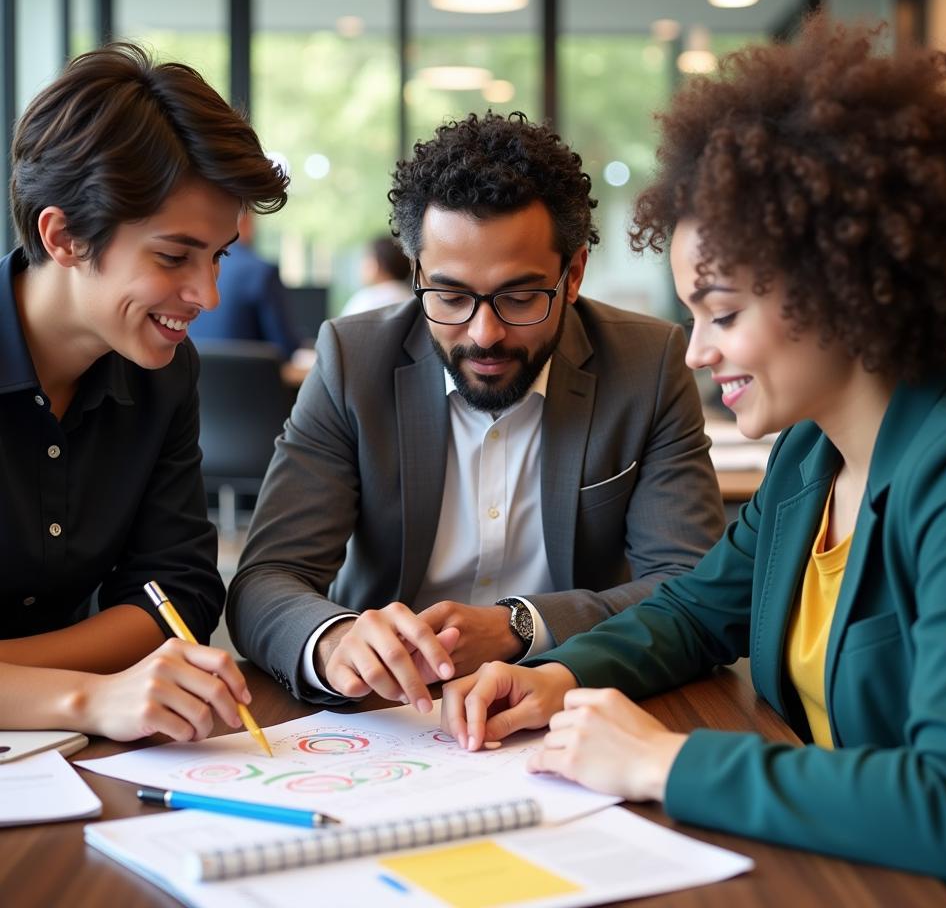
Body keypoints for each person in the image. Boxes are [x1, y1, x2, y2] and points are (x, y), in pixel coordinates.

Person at [440, 18, 946, 900]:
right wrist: (553, 678)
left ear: (842, 284)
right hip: (824, 866)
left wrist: (665, 763)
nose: (696, 351)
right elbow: (694, 613)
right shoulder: (810, 459)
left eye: (721, 312)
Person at [227, 111, 725, 711]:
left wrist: (523, 626)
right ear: (416, 274)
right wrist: (335, 641)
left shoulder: (647, 363)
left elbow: (691, 584)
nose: (483, 333)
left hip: (574, 697)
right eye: (451, 296)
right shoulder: (352, 361)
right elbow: (264, 581)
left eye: (520, 297)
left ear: (573, 277)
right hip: (384, 718)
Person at [0, 43, 288, 742]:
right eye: (173, 256)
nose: (208, 295)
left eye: (218, 256)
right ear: (64, 235)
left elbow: (177, 591)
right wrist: (82, 697)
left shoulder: (164, 372)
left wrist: (22, 680)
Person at [189, 209, 301, 359]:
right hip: (255, 381)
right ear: (245, 221)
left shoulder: (192, 266)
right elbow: (286, 346)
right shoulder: (262, 272)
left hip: (199, 379)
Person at [341, 235, 412, 315]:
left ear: (375, 264)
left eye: (365, 258)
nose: (361, 265)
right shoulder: (414, 298)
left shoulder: (365, 301)